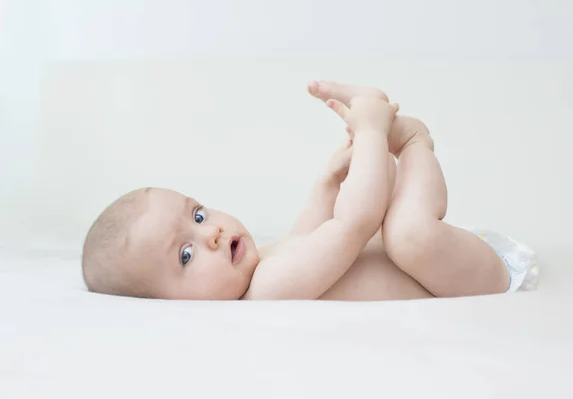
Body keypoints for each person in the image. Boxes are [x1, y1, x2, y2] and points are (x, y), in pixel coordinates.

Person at [81, 81, 538, 300]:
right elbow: (353, 223)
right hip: (469, 283)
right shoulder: (268, 290)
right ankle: (413, 142)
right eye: (185, 254)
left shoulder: (265, 266)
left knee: (401, 231)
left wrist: (329, 179)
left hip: (458, 268)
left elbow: (308, 234)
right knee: (404, 235)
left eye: (198, 215)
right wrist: (372, 136)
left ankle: (398, 139)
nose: (212, 234)